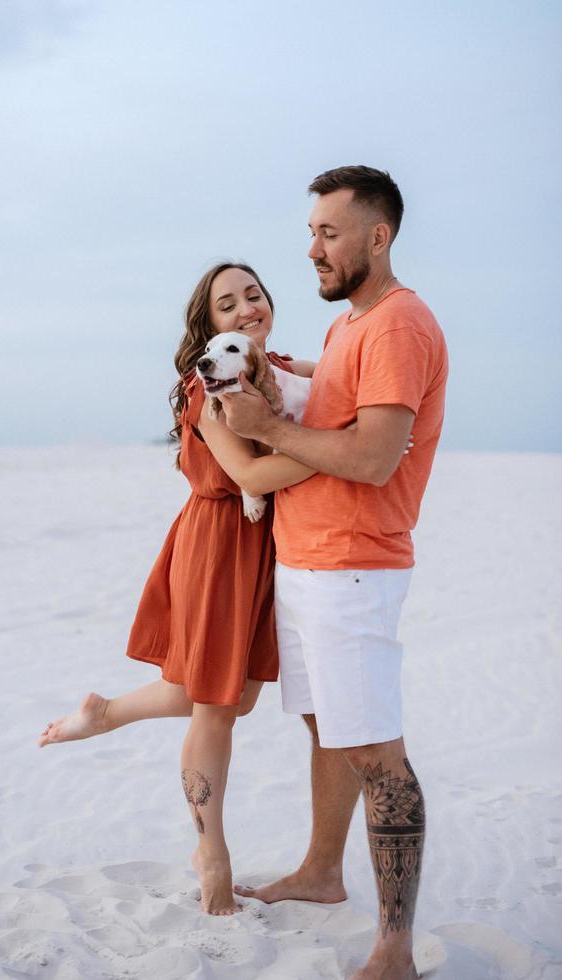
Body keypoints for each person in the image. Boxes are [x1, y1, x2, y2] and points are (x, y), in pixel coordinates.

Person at [220, 166, 448, 980]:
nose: (312, 248)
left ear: (377, 237)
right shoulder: (352, 326)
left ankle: (395, 948)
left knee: (378, 753)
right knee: (331, 730)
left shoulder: (396, 326)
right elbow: (342, 402)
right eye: (311, 231)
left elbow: (375, 455)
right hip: (310, 561)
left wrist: (267, 431)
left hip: (354, 566)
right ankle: (321, 874)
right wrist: (291, 380)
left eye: (329, 233)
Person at [38, 261, 317, 916]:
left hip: (260, 550)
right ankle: (211, 854)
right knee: (215, 706)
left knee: (227, 697)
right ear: (208, 325)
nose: (247, 307)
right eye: (228, 303)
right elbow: (251, 471)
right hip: (218, 547)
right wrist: (349, 448)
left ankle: (102, 713)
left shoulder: (269, 363)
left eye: (254, 294)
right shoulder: (208, 384)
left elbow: (331, 372)